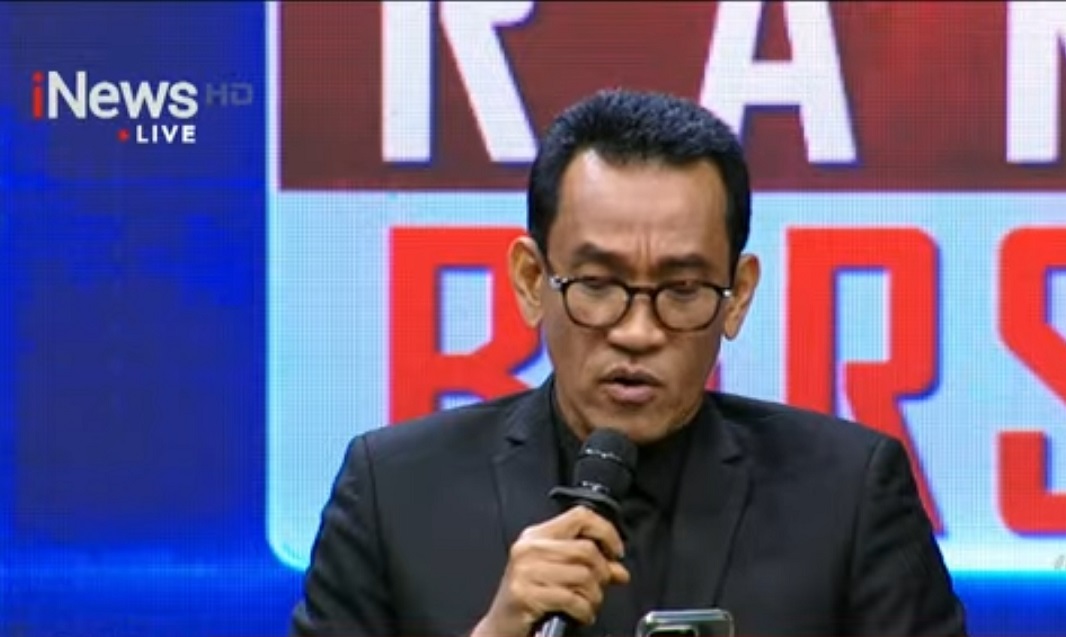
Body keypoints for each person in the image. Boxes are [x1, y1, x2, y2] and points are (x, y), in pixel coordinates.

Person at [289, 88, 968, 637]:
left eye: (683, 289)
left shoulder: (847, 497)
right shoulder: (394, 493)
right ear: (531, 280)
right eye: (596, 284)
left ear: (738, 297)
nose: (638, 332)